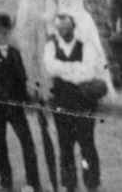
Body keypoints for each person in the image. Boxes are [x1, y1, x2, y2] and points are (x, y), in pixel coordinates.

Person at [0, 12, 41, 192]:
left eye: (5, 32)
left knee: (28, 143)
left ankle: (33, 182)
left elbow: (21, 79)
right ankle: (6, 182)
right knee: (0, 145)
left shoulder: (14, 53)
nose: (2, 35)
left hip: (15, 107)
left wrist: (29, 98)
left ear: (9, 32)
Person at [43, 14, 104, 192]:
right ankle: (70, 185)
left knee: (87, 144)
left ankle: (92, 184)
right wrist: (75, 69)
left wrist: (63, 70)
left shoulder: (86, 45)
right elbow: (50, 67)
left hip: (84, 103)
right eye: (60, 28)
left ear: (73, 27)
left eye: (67, 27)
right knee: (65, 145)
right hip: (62, 102)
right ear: (56, 29)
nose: (64, 31)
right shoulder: (50, 46)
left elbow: (89, 72)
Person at [45, 0, 114, 94]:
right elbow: (51, 6)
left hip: (81, 19)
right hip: (63, 21)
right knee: (66, 52)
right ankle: (70, 90)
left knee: (89, 51)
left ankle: (95, 88)